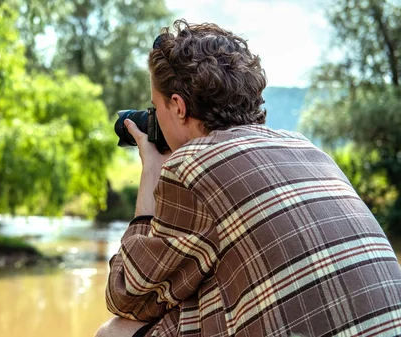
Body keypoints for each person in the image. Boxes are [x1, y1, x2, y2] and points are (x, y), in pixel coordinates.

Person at [95, 19, 401, 337]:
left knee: (115, 331)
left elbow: (128, 294)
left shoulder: (192, 165)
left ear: (178, 106)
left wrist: (151, 173)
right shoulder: (306, 148)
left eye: (156, 108)